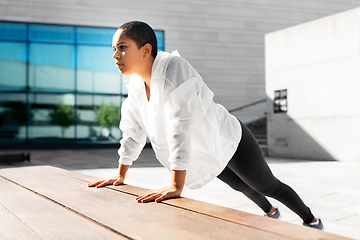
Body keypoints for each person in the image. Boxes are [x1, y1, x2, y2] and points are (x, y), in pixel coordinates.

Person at [88, 21, 323, 230]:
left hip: (229, 138)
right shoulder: (136, 88)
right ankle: (271, 212)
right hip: (205, 148)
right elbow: (132, 133)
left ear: (146, 49)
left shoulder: (174, 69)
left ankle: (311, 220)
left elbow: (180, 126)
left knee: (268, 186)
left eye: (122, 47)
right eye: (113, 49)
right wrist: (120, 175)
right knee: (241, 186)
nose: (115, 55)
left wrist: (175, 185)